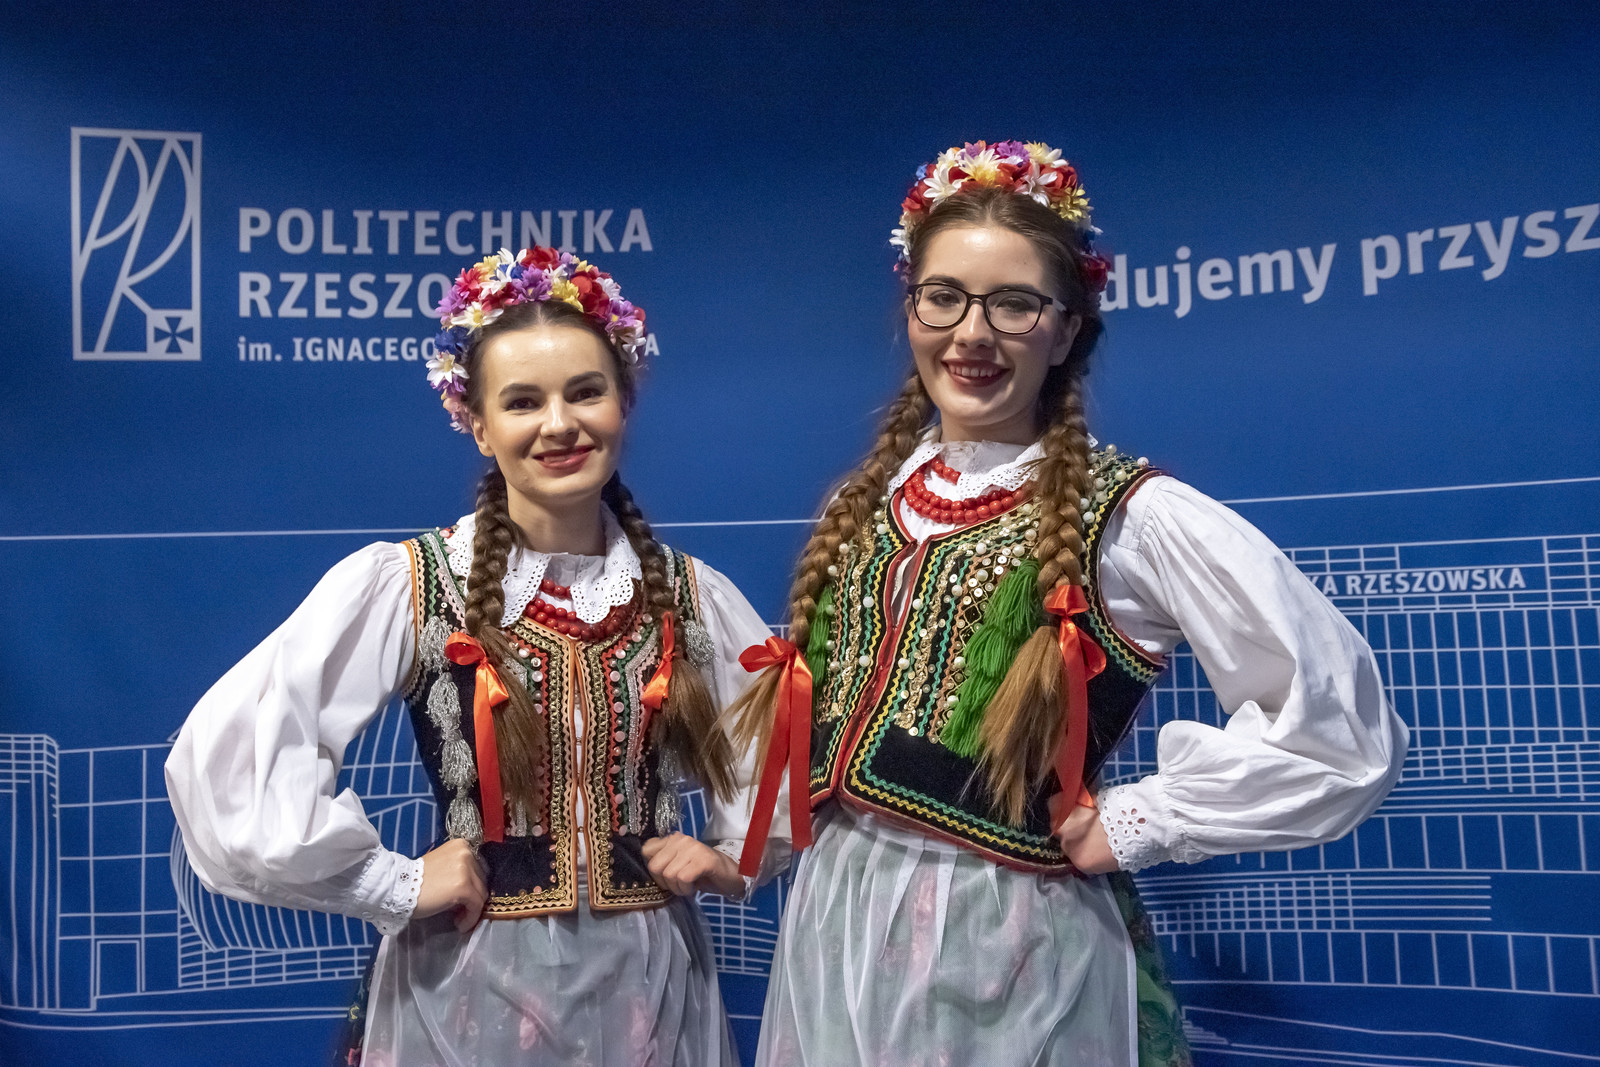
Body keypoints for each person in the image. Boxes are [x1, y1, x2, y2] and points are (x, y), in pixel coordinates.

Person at [732, 141, 1409, 1066]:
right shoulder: (869, 500)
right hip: (836, 919)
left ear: (1066, 331)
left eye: (1014, 304)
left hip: (1010, 941)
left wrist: (1139, 820)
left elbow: (1339, 732)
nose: (973, 333)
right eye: (944, 297)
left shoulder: (1127, 514)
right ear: (911, 307)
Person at [166, 247, 783, 1066]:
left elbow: (781, 749)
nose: (559, 424)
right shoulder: (415, 584)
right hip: (468, 985)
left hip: (649, 985)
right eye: (523, 401)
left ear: (624, 401)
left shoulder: (688, 592)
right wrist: (394, 882)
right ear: (478, 422)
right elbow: (232, 757)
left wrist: (735, 858)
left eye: (585, 392)